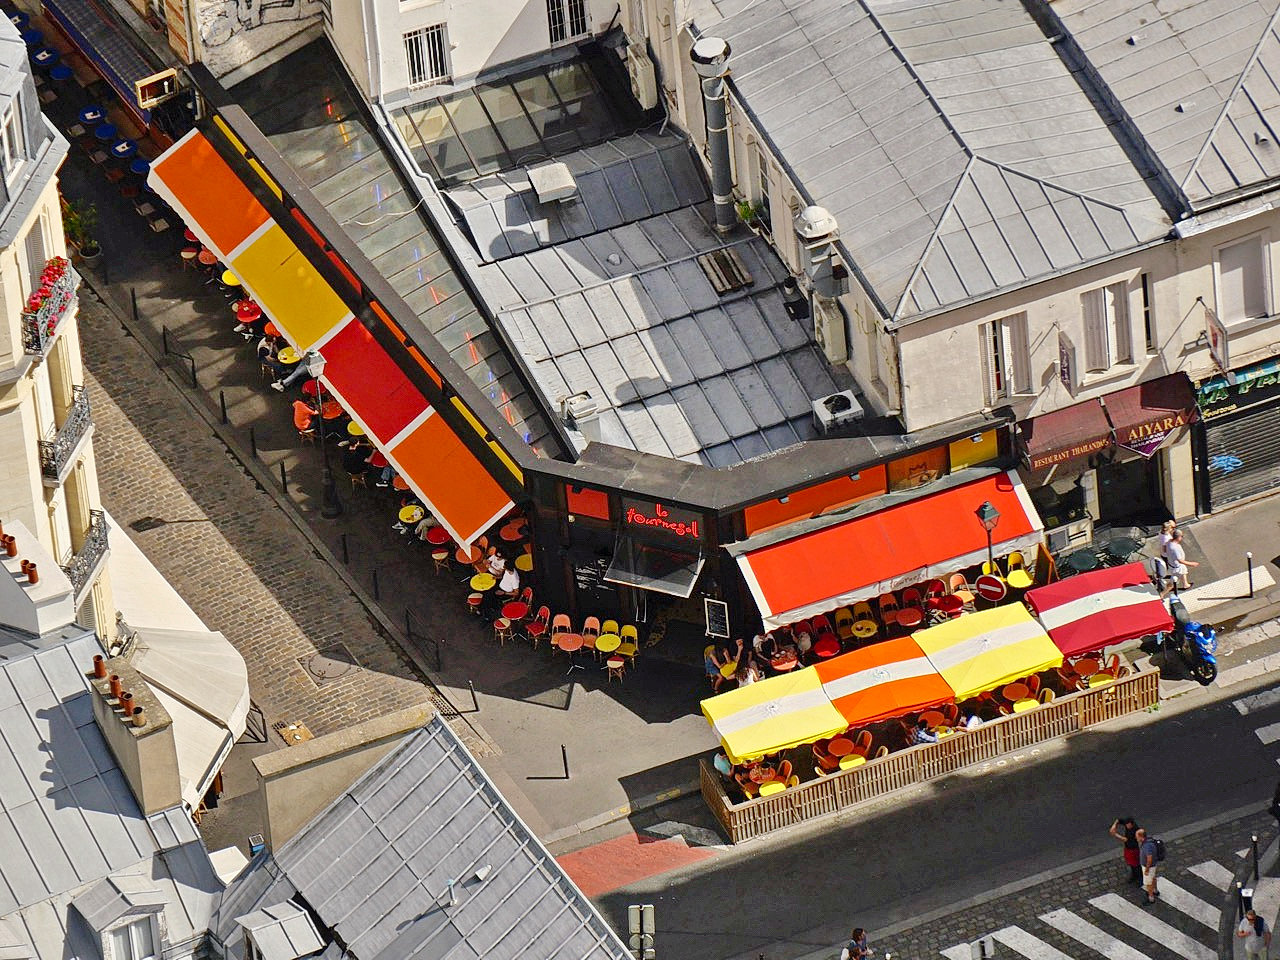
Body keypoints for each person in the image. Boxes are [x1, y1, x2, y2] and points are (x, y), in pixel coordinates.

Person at [1109, 816, 1142, 886]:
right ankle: (1134, 875)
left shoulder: (1135, 830)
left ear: (1131, 824)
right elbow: (1118, 820)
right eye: (1126, 824)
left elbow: (1126, 839)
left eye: (1128, 825)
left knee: (1136, 864)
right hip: (1128, 848)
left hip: (1133, 848)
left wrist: (1115, 834)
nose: (1126, 826)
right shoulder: (1128, 824)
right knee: (1131, 863)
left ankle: (1139, 878)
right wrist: (1114, 826)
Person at [1137, 827, 1159, 904]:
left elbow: (1149, 858)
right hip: (1153, 865)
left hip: (1148, 866)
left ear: (1141, 837)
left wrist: (1146, 869)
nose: (1136, 838)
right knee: (1153, 878)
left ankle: (1151, 898)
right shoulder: (1149, 841)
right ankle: (1155, 890)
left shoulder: (1147, 846)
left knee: (1148, 883)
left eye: (1137, 836)